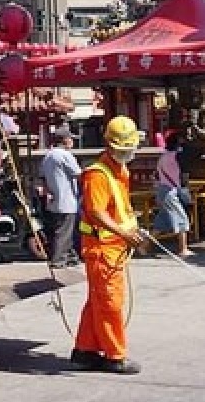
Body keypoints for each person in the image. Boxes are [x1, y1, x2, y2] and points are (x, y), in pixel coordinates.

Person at [72, 116, 146, 374]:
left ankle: (85, 351)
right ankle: (115, 355)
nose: (127, 154)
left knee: (98, 301)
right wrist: (123, 233)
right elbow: (96, 212)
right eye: (123, 149)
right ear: (109, 146)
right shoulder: (97, 175)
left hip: (114, 246)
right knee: (110, 303)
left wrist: (131, 230)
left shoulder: (120, 171)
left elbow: (120, 208)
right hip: (102, 248)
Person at [39, 125, 81, 269]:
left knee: (62, 230)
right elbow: (78, 174)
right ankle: (58, 259)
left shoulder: (48, 156)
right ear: (65, 140)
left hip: (54, 200)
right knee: (64, 232)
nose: (72, 142)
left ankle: (71, 256)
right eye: (70, 139)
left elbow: (42, 177)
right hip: (67, 200)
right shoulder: (65, 155)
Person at [153, 133, 194, 258]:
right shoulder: (177, 156)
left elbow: (157, 175)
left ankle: (143, 245)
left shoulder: (162, 157)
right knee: (182, 219)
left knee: (162, 222)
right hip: (170, 192)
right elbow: (190, 153)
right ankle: (183, 249)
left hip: (161, 190)